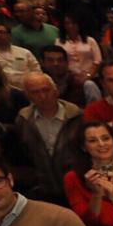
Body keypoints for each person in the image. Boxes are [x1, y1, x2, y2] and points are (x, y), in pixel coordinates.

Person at [13, 72, 81, 205]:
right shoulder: (24, 120)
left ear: (55, 90)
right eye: (35, 92)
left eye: (46, 90)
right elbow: (23, 154)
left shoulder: (77, 117)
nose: (43, 96)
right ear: (27, 95)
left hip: (75, 186)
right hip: (42, 188)